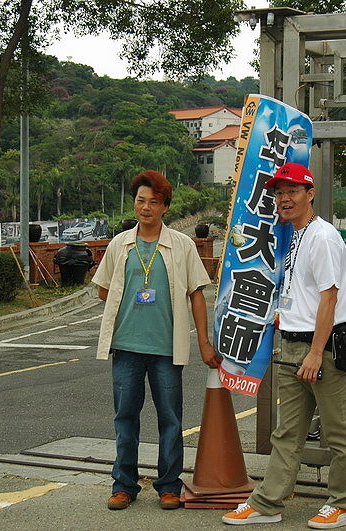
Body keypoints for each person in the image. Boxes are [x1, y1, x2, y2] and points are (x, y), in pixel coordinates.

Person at [222, 162, 346, 529]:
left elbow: (330, 298)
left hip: (322, 349)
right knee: (286, 433)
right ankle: (267, 503)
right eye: (279, 193)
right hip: (292, 345)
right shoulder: (294, 235)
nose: (284, 199)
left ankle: (345, 504)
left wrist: (315, 353)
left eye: (292, 191)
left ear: (310, 193)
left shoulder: (323, 237)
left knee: (338, 431)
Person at [91, 170, 220, 511]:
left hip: (166, 349)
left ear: (165, 207)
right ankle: (124, 485)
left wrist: (204, 343)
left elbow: (196, 294)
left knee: (171, 420)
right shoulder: (120, 244)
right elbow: (104, 290)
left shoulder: (182, 245)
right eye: (140, 201)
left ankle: (168, 486)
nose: (146, 207)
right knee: (125, 418)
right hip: (126, 347)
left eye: (153, 202)